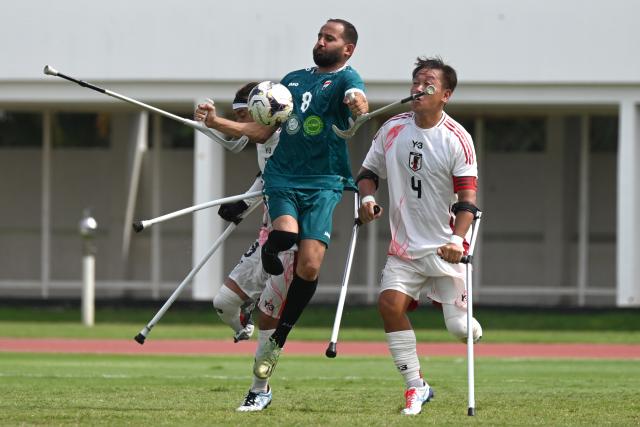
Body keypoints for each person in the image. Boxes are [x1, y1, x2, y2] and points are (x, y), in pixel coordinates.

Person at [197, 18, 369, 381]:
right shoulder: (290, 80)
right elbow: (261, 131)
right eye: (320, 36)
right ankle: (271, 252)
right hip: (283, 178)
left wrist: (357, 104)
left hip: (324, 182)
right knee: (285, 237)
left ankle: (280, 339)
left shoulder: (346, 80)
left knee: (309, 266)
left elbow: (357, 99)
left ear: (347, 48)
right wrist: (216, 122)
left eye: (330, 38)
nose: (321, 41)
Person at [355, 56, 483, 416]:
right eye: (415, 81)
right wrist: (366, 198)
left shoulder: (458, 138)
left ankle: (469, 322)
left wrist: (457, 240)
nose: (418, 88)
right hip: (404, 248)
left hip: (446, 249)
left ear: (445, 94)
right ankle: (417, 386)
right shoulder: (392, 127)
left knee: (461, 330)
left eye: (427, 82)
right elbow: (367, 172)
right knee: (388, 306)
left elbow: (468, 200)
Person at [194, 83, 295, 412]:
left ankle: (259, 389)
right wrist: (241, 206)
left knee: (270, 315)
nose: (243, 122)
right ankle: (243, 325)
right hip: (267, 236)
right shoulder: (260, 139)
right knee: (223, 302)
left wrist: (214, 122)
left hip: (293, 238)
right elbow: (245, 152)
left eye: (245, 116)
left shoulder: (284, 134)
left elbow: (251, 136)